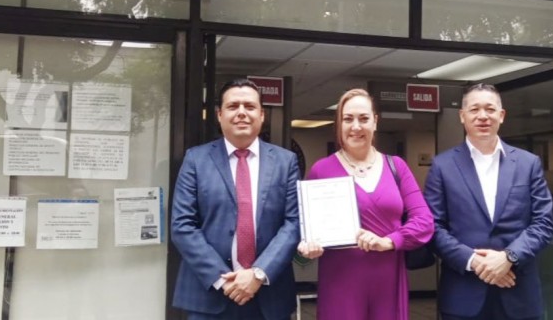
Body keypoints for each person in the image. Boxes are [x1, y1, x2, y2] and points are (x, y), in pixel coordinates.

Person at [297, 88, 434, 320]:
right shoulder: (322, 170)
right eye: (348, 119)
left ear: (375, 122)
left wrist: (389, 241)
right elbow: (305, 229)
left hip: (388, 280)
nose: (356, 126)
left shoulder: (397, 167)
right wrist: (306, 245)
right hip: (340, 280)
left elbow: (424, 221)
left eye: (363, 118)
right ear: (339, 124)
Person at [171, 79, 301, 320]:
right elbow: (182, 226)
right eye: (233, 106)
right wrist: (224, 279)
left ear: (262, 115)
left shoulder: (286, 162)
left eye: (249, 106)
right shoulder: (196, 160)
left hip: (268, 294)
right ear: (219, 115)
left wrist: (258, 273)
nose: (242, 112)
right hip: (209, 294)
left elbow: (293, 224)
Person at [424, 83, 553, 320]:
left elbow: (544, 224)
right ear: (462, 116)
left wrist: (508, 257)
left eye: (490, 109)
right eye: (474, 109)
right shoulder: (442, 166)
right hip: (463, 296)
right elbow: (432, 227)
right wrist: (475, 262)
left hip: (519, 294)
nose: (483, 116)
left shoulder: (528, 164)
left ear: (501, 115)